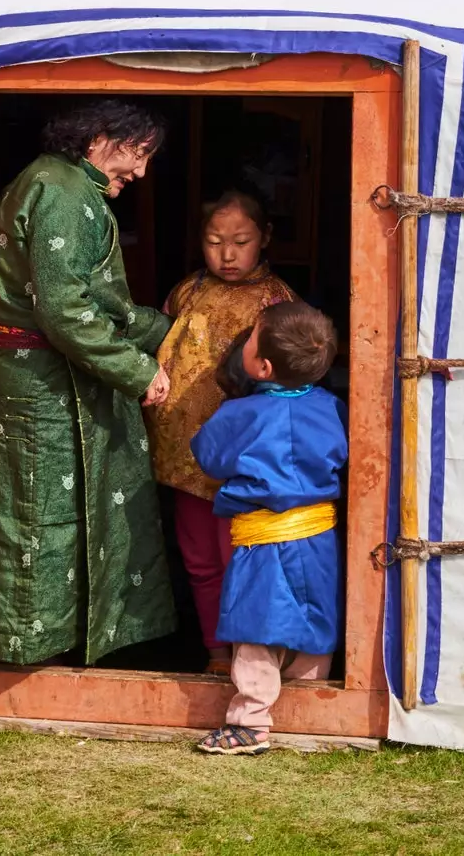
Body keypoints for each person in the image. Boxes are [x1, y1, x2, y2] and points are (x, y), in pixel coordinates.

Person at [0, 100, 177, 665]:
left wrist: (169, 330)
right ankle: (29, 660)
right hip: (35, 384)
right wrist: (140, 370)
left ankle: (57, 649)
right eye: (138, 153)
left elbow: (99, 303)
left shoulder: (65, 184)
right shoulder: (62, 193)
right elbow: (66, 311)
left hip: (44, 377)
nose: (140, 171)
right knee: (39, 514)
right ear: (99, 137)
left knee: (56, 511)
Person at [145, 192, 296, 675]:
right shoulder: (186, 291)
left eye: (240, 241)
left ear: (265, 238)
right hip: (185, 455)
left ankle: (246, 656)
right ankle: (214, 652)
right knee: (199, 560)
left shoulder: (278, 302)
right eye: (214, 242)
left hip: (243, 461)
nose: (227, 255)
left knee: (240, 560)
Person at [190, 301, 346, 755]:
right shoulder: (332, 408)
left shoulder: (241, 415)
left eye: (252, 335)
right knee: (316, 616)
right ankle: (311, 705)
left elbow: (208, 456)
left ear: (262, 366)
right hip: (319, 537)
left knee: (255, 625)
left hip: (264, 540)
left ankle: (251, 721)